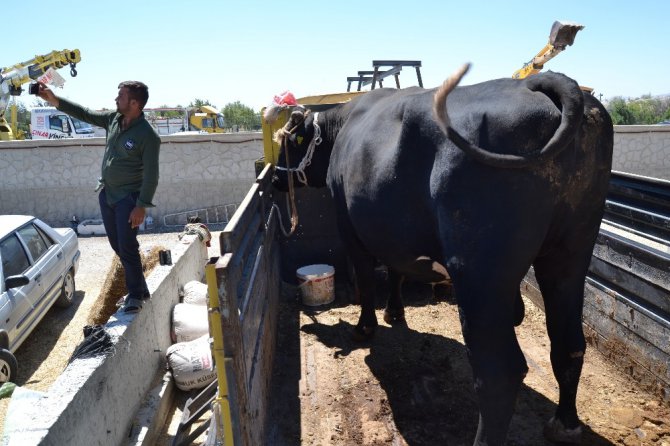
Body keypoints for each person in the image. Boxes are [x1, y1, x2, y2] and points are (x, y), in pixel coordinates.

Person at [37, 81, 161, 313]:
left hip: (129, 198)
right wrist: (55, 101)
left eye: (121, 96)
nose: (116, 99)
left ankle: (135, 295)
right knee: (117, 245)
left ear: (134, 103)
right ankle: (140, 288)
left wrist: (142, 206)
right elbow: (85, 113)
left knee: (127, 244)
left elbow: (152, 175)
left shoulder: (148, 135)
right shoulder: (113, 119)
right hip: (108, 194)